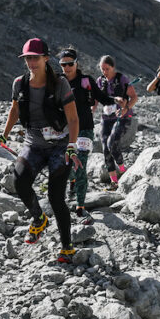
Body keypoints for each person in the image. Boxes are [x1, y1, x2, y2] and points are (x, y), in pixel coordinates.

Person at [0, 38, 83, 263]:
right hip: (33, 144)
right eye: (28, 58)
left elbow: (73, 118)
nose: (31, 62)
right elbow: (15, 110)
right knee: (19, 180)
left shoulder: (60, 84)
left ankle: (67, 247)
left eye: (36, 58)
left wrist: (72, 146)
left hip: (60, 147)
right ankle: (39, 219)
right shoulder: (19, 83)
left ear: (46, 59)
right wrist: (4, 134)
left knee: (56, 197)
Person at [57, 46, 117, 223]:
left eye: (70, 64)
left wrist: (118, 100)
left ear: (76, 64)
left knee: (80, 165)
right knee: (65, 168)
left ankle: (80, 207)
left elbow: (103, 98)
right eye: (63, 64)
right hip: (64, 131)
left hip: (84, 129)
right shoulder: (58, 81)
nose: (66, 67)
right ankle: (73, 182)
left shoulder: (86, 81)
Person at [96, 55, 138, 188]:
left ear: (113, 67)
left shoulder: (122, 79)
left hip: (122, 117)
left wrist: (126, 108)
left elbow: (134, 97)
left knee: (112, 144)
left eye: (107, 69)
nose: (104, 72)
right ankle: (114, 181)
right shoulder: (100, 81)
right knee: (105, 148)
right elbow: (96, 99)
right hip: (106, 117)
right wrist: (92, 108)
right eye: (102, 69)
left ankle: (124, 172)